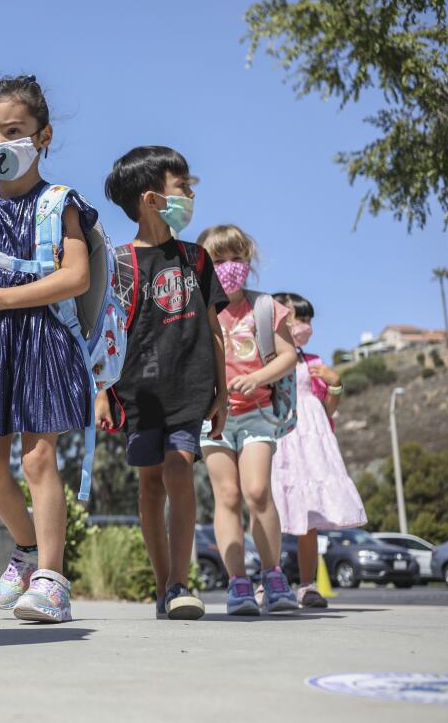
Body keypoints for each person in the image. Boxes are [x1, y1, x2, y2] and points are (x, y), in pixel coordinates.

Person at [0, 75, 98, 623]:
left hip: (43, 338)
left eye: (13, 131)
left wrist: (7, 298)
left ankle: (53, 579)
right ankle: (28, 550)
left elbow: (76, 276)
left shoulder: (62, 205)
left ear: (43, 135)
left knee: (38, 457)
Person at [95, 146, 228, 619]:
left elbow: (214, 329)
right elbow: (102, 337)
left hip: (190, 387)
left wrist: (223, 392)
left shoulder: (196, 258)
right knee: (150, 484)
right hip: (138, 392)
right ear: (152, 198)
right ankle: (161, 588)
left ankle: (179, 583)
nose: (191, 194)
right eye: (183, 186)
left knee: (178, 467)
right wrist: (100, 393)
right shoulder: (118, 262)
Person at [196, 224, 300, 615]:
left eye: (236, 258)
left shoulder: (265, 306)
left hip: (257, 412)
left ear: (249, 261)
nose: (229, 266)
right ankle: (238, 582)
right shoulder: (198, 308)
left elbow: (289, 355)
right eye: (219, 259)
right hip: (212, 418)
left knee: (257, 492)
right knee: (227, 496)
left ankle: (273, 574)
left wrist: (257, 377)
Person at [269, 292, 366, 608]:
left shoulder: (313, 363)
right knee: (269, 509)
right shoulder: (266, 357)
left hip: (311, 442)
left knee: (307, 516)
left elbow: (328, 409)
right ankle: (266, 580)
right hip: (281, 438)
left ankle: (307, 585)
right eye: (301, 318)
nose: (306, 325)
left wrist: (335, 384)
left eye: (309, 319)